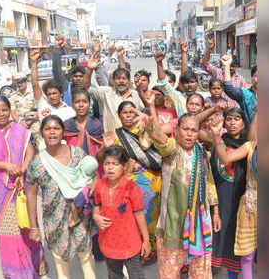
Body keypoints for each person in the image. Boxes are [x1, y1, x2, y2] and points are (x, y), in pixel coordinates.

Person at [0, 96, 47, 278]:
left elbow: (30, 151)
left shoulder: (19, 129)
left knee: (27, 225)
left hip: (22, 187)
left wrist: (22, 169)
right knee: (9, 233)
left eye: (4, 110)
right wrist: (5, 165)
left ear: (9, 109)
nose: (1, 114)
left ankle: (37, 266)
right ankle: (17, 273)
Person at [144, 112, 221, 279]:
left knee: (201, 273)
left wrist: (215, 211)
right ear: (177, 130)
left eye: (194, 130)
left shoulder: (201, 153)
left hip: (200, 224)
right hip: (173, 224)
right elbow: (162, 140)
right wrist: (151, 127)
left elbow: (209, 182)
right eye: (185, 129)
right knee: (169, 273)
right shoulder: (172, 150)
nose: (189, 133)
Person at [26, 115, 96, 279]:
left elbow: (93, 176)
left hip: (80, 217)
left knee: (86, 256)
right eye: (47, 129)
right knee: (60, 261)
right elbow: (31, 194)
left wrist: (90, 188)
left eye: (56, 128)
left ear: (63, 132)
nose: (52, 132)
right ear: (42, 133)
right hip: (54, 220)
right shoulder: (37, 162)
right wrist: (33, 226)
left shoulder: (77, 154)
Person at [98, 101, 162, 264]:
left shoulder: (145, 131)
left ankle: (150, 250)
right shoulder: (114, 134)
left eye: (132, 113)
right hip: (125, 183)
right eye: (125, 113)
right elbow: (102, 159)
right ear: (119, 115)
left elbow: (158, 150)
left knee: (149, 216)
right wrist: (105, 147)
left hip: (150, 181)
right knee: (129, 218)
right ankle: (132, 250)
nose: (128, 116)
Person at [210, 113, 257, 279]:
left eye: (237, 119)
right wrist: (216, 136)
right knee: (231, 247)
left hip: (248, 203)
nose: (232, 123)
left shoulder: (251, 146)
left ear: (244, 123)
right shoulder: (222, 144)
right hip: (228, 203)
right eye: (228, 119)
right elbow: (219, 166)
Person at [93, 145, 151, 279]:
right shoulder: (100, 185)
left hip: (130, 243)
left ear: (124, 167)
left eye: (115, 164)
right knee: (114, 275)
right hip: (108, 242)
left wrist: (146, 240)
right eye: (107, 163)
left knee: (136, 275)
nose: (110, 167)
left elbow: (139, 215)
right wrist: (96, 216)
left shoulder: (132, 188)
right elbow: (96, 206)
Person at [83, 56, 144, 131]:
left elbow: (145, 111)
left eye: (124, 79)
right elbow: (86, 88)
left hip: (133, 138)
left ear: (128, 80)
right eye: (118, 79)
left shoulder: (136, 94)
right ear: (114, 81)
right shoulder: (106, 92)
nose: (121, 81)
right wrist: (89, 69)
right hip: (112, 139)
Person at [29, 49, 75, 123]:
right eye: (49, 94)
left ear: (61, 94)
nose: (52, 96)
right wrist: (34, 62)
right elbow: (35, 84)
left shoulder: (70, 111)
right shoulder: (43, 105)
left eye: (54, 93)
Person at [202, 38, 248, 108]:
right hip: (218, 110)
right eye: (228, 65)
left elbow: (245, 96)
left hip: (233, 112)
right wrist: (209, 49)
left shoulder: (241, 79)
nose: (230, 68)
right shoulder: (218, 72)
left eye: (232, 66)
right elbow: (205, 64)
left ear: (236, 66)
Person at [221, 56, 257, 127]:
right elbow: (229, 89)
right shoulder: (246, 94)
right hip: (249, 135)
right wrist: (226, 65)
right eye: (257, 76)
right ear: (251, 77)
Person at [8, 73, 40, 149]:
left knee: (39, 142)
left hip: (34, 122)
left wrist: (29, 122)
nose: (19, 84)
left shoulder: (34, 94)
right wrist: (20, 122)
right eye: (17, 82)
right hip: (20, 123)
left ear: (26, 82)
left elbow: (39, 109)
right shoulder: (13, 96)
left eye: (21, 81)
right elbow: (13, 112)